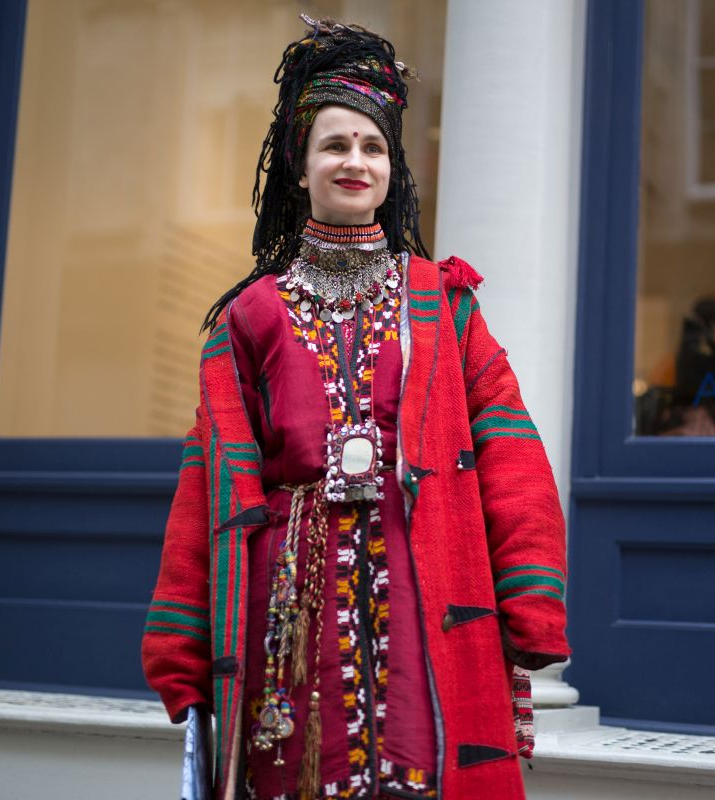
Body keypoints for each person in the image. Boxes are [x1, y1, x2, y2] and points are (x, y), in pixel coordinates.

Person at [141, 17, 570, 800]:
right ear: (300, 169)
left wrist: (531, 601)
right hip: (288, 618)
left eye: (373, 147)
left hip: (426, 589)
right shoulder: (252, 317)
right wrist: (181, 654)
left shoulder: (445, 304)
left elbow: (511, 450)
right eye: (335, 145)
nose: (355, 161)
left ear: (392, 169)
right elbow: (209, 487)